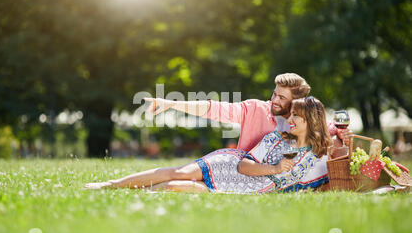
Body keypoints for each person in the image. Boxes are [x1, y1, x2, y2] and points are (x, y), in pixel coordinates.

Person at [84, 97, 332, 194]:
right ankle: (110, 185)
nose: (289, 120)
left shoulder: (320, 157)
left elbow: (341, 173)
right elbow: (245, 166)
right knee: (178, 172)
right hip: (230, 168)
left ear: (310, 121)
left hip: (244, 190)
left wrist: (347, 139)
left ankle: (133, 193)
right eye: (291, 115)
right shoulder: (276, 139)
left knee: (174, 186)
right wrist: (276, 168)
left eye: (296, 117)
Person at [143, 73, 351, 152]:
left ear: (295, 101)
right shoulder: (255, 109)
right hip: (246, 172)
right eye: (274, 94)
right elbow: (214, 109)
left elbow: (330, 134)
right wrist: (171, 103)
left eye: (281, 98)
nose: (274, 100)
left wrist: (343, 137)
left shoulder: (304, 120)